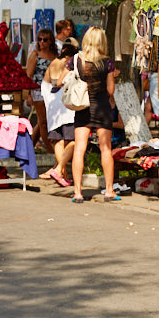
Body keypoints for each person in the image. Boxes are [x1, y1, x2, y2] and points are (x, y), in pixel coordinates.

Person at [69, 26, 116, 203]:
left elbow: (61, 80)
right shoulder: (107, 63)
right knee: (105, 149)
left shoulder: (76, 60)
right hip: (102, 108)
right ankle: (109, 190)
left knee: (79, 149)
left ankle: (78, 192)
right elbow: (110, 90)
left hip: (82, 108)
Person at [41, 42, 78, 187]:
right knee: (73, 139)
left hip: (53, 108)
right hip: (64, 107)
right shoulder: (65, 64)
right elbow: (63, 83)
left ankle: (62, 173)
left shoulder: (54, 63)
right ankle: (59, 170)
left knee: (59, 140)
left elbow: (47, 85)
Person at [25, 28, 58, 151]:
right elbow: (29, 75)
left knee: (45, 120)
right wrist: (28, 95)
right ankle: (49, 148)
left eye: (45, 40)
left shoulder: (55, 56)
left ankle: (30, 146)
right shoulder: (35, 55)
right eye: (39, 39)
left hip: (52, 91)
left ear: (50, 41)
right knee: (43, 121)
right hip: (38, 91)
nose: (42, 42)